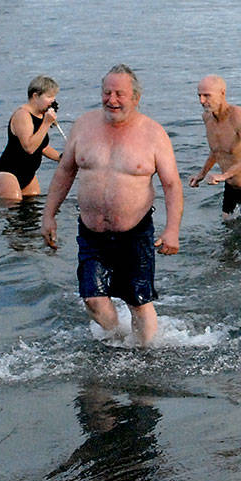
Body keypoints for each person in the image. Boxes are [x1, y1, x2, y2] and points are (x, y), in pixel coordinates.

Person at [41, 64, 183, 346]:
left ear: (135, 98)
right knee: (93, 300)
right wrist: (48, 215)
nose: (112, 100)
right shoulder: (84, 126)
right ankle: (119, 339)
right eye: (107, 92)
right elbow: (65, 172)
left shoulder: (154, 134)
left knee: (137, 300)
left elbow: (172, 185)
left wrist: (172, 230)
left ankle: (144, 354)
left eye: (120, 94)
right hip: (91, 232)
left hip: (135, 231)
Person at [188, 75, 241, 223]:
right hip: (231, 187)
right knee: (228, 232)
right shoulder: (207, 118)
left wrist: (224, 175)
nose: (201, 101)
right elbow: (217, 150)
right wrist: (202, 174)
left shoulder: (238, 116)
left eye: (207, 95)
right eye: (199, 96)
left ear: (222, 93)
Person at [0, 75, 62, 202]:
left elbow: (42, 147)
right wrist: (46, 123)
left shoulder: (41, 116)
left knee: (33, 210)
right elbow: (29, 147)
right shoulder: (23, 115)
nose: (52, 101)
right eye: (48, 97)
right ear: (35, 96)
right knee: (14, 208)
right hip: (9, 172)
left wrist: (61, 158)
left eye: (54, 97)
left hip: (29, 174)